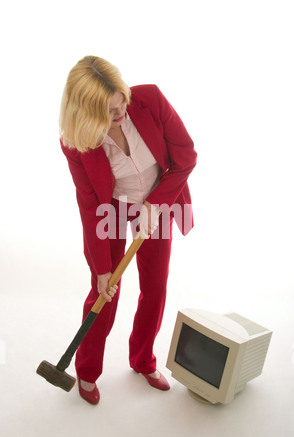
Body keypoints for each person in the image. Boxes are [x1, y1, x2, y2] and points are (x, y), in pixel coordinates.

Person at [59, 56, 197, 404]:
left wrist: (156, 203)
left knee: (155, 287)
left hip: (159, 202)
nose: (119, 114)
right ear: (87, 113)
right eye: (108, 111)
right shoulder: (76, 143)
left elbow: (186, 156)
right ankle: (87, 371)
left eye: (120, 103)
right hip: (113, 210)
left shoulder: (149, 99)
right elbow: (90, 205)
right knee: (105, 291)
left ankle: (143, 359)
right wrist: (103, 268)